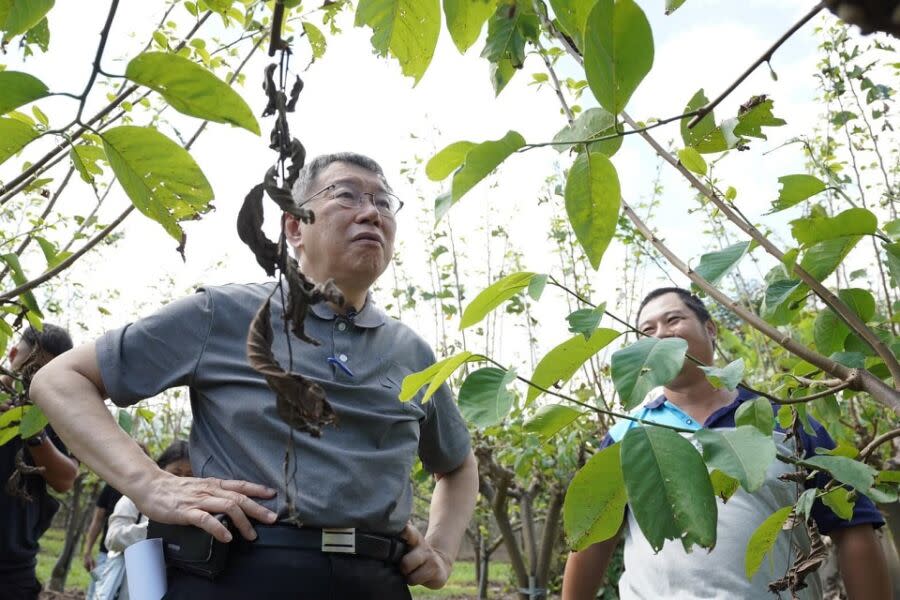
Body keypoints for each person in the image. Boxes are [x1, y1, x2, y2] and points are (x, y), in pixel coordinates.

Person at [30, 153, 479, 599]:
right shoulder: (222, 314)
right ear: (294, 227)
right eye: (347, 195)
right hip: (240, 574)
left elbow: (457, 464)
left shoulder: (412, 352)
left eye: (384, 203)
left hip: (375, 582)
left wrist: (441, 548)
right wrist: (149, 484)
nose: (371, 213)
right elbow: (60, 379)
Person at [562, 287, 890, 600]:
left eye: (673, 319)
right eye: (647, 330)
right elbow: (591, 542)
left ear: (711, 328)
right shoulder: (626, 435)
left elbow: (853, 526)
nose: (660, 334)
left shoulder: (782, 419)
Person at [0, 324, 78, 600]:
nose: (34, 378)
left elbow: (65, 480)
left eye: (45, 374)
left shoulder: (50, 417)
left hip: (12, 569)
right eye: (30, 367)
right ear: (12, 355)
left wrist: (34, 433)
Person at [94, 441, 192, 600]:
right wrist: (157, 528)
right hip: (133, 587)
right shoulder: (136, 499)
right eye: (176, 472)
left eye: (189, 475)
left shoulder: (199, 510)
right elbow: (112, 538)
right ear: (161, 469)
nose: (181, 480)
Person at [82, 482, 122, 600]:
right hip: (105, 556)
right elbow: (98, 519)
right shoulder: (112, 485)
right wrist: (87, 551)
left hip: (133, 559)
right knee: (95, 594)